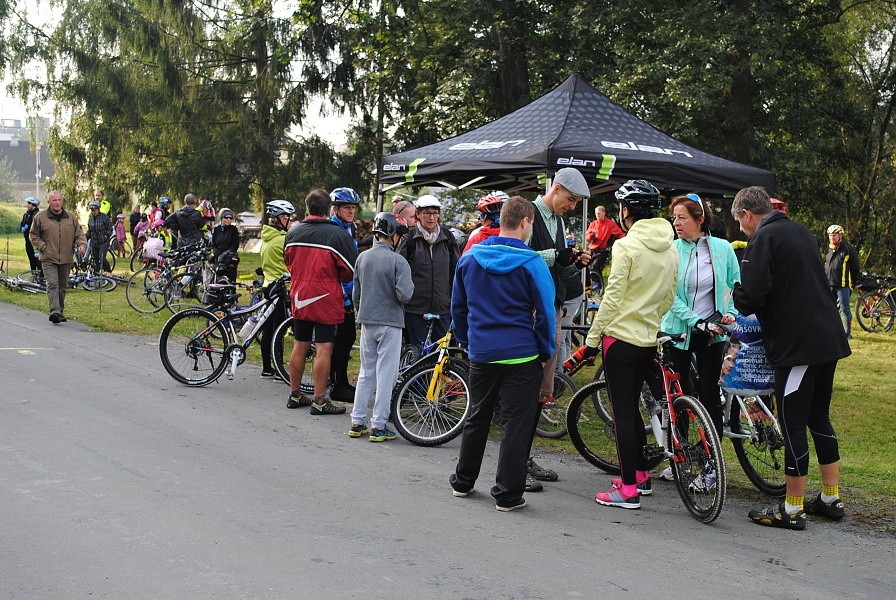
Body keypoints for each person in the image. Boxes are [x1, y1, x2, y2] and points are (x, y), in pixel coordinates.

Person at [731, 186, 850, 530]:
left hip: (799, 344)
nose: (742, 228)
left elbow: (752, 296)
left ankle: (792, 508)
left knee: (792, 422)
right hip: (828, 337)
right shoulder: (801, 231)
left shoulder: (762, 239)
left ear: (747, 214)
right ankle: (830, 498)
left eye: (740, 221)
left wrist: (735, 294)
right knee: (818, 417)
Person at [569, 179, 678, 510]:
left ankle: (628, 489)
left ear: (626, 210)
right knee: (632, 410)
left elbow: (612, 299)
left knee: (623, 413)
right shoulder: (670, 246)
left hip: (620, 339)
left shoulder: (626, 246)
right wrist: (650, 319)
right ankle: (640, 476)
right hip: (648, 338)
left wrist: (590, 342)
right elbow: (669, 295)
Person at [449, 197, 556, 512]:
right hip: (521, 354)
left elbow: (458, 308)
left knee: (477, 416)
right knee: (515, 425)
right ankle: (507, 495)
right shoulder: (532, 262)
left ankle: (463, 481)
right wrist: (545, 350)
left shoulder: (470, 258)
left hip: (482, 352)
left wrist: (469, 341)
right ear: (525, 222)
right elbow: (546, 313)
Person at [525, 167, 592, 488]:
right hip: (530, 309)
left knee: (541, 389)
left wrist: (572, 263)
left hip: (551, 307)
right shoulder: (528, 212)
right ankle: (517, 462)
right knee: (526, 385)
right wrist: (557, 255)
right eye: (571, 199)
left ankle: (523, 458)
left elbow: (557, 267)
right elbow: (519, 256)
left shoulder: (559, 221)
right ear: (557, 189)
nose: (572, 206)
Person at [659, 194, 740, 440]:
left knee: (710, 396)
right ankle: (680, 452)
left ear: (700, 219)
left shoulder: (723, 248)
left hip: (712, 334)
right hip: (678, 332)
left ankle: (712, 455)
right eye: (674, 218)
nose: (676, 223)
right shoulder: (671, 249)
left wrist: (731, 312)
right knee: (679, 397)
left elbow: (736, 286)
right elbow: (669, 295)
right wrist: (696, 321)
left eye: (682, 218)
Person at [283, 188, 358, 415]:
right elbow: (350, 270)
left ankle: (295, 394)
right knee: (324, 348)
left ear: (308, 208)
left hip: (299, 295)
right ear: (329, 209)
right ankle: (319, 400)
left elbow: (287, 261)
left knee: (300, 344)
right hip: (326, 297)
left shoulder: (293, 232)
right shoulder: (337, 235)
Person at [348, 212, 414, 442]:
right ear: (393, 234)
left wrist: (362, 311)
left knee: (366, 372)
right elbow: (405, 295)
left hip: (367, 321)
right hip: (391, 323)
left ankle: (357, 421)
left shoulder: (362, 258)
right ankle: (378, 424)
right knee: (386, 374)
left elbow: (356, 295)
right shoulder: (399, 261)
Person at [398, 194, 459, 350]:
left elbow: (456, 271)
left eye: (435, 213)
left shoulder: (447, 237)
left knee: (441, 352)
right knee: (418, 351)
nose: (431, 217)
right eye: (427, 213)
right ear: (418, 214)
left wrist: (452, 299)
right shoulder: (409, 238)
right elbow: (398, 270)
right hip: (415, 309)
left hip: (442, 308)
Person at [29, 190, 87, 324]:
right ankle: (54, 311)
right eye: (54, 200)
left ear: (62, 201)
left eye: (59, 200)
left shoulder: (70, 217)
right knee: (53, 284)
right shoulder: (40, 217)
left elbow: (79, 234)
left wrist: (82, 245)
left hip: (66, 257)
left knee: (62, 286)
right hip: (48, 257)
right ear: (48, 202)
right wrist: (43, 246)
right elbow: (33, 235)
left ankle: (59, 311)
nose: (57, 203)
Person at [328, 187, 362, 402]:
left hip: (349, 290)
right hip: (338, 293)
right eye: (346, 208)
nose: (351, 211)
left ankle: (341, 382)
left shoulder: (350, 228)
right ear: (335, 209)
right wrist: (343, 294)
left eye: (353, 207)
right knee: (343, 338)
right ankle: (337, 385)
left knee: (346, 339)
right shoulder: (334, 230)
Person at [258, 200, 295, 379]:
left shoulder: (267, 237)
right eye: (288, 217)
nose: (290, 221)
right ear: (280, 218)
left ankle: (267, 367)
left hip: (268, 286)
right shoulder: (283, 240)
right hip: (281, 288)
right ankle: (279, 370)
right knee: (279, 330)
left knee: (268, 329)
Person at [824, 224, 861, 339]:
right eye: (830, 235)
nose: (832, 237)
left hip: (843, 285)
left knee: (845, 310)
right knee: (829, 309)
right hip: (829, 284)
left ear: (840, 236)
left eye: (834, 235)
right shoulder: (828, 249)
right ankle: (831, 331)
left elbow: (855, 267)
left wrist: (856, 281)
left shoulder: (848, 250)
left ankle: (847, 333)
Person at [584, 205, 625, 295]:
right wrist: (592, 235)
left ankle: (597, 285)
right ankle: (590, 289)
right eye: (596, 214)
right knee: (587, 268)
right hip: (592, 249)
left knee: (595, 267)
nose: (597, 215)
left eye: (599, 213)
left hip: (603, 251)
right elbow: (587, 238)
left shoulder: (610, 224)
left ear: (604, 213)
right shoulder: (593, 224)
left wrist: (626, 241)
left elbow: (620, 234)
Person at [211, 209, 240, 282]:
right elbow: (213, 244)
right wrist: (216, 253)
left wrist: (226, 254)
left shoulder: (233, 230)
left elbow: (235, 244)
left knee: (230, 279)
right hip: (218, 257)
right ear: (221, 218)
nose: (228, 220)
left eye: (230, 218)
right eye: (226, 218)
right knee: (218, 278)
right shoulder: (216, 229)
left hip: (229, 257)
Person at [86, 200, 113, 272]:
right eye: (91, 210)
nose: (93, 212)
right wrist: (86, 237)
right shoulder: (91, 217)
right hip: (94, 242)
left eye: (94, 210)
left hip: (103, 242)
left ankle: (108, 271)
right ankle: (96, 274)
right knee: (96, 260)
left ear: (98, 209)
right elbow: (89, 229)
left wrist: (107, 235)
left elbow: (110, 228)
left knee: (102, 258)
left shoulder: (104, 217)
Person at [20, 197, 42, 273]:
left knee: (37, 259)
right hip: (28, 241)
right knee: (31, 259)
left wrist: (28, 227)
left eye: (29, 204)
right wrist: (22, 227)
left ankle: (40, 275)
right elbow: (22, 223)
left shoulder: (38, 215)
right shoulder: (26, 214)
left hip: (35, 242)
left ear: (34, 205)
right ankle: (33, 274)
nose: (27, 205)